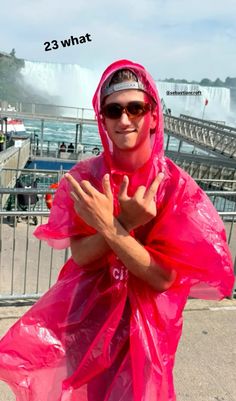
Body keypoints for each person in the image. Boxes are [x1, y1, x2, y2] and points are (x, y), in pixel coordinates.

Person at [0, 60, 234, 401]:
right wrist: (124, 224)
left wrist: (109, 225)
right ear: (103, 120)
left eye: (135, 108)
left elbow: (163, 277)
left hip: (147, 330)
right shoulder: (84, 179)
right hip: (87, 326)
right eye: (114, 110)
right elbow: (82, 256)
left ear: (153, 115)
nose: (125, 120)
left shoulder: (177, 189)